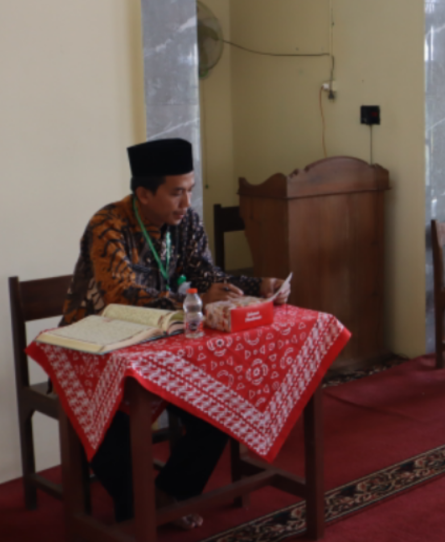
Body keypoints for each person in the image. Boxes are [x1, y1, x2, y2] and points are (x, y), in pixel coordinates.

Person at [62, 138, 292, 528]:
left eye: (190, 189)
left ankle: (169, 494)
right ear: (143, 194)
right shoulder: (108, 224)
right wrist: (191, 300)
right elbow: (121, 295)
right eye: (176, 193)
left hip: (163, 343)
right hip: (96, 346)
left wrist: (259, 285)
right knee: (106, 421)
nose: (187, 203)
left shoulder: (186, 222)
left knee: (222, 402)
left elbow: (207, 276)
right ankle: (138, 510)